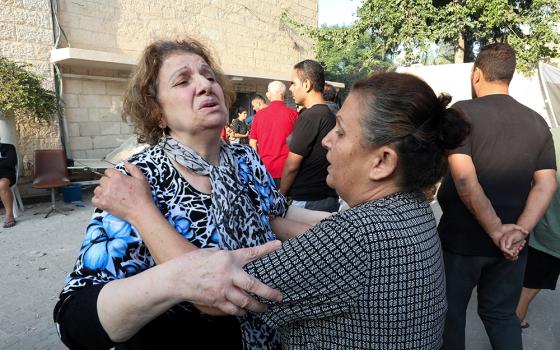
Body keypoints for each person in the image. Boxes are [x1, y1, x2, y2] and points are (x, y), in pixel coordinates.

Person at [93, 72, 471, 349]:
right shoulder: (414, 211)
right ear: (156, 111)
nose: (326, 140)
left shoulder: (358, 234)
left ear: (382, 162)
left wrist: (140, 211)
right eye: (182, 81)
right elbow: (282, 217)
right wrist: (267, 214)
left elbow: (215, 292)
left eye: (339, 131)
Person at [53, 37, 326, 350]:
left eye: (209, 76)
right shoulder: (139, 177)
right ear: (157, 113)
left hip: (268, 335)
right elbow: (73, 317)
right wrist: (174, 280)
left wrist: (348, 221)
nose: (205, 85)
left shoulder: (243, 158)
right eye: (183, 80)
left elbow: (277, 212)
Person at [436, 43, 557, 350]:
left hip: (460, 244)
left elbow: (464, 178)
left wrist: (495, 229)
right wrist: (518, 232)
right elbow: (546, 184)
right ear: (509, 77)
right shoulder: (537, 122)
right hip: (512, 248)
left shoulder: (460, 114)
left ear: (477, 74)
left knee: (450, 316)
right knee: (502, 316)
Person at [280, 59, 338, 212]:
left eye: (293, 83)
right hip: (326, 196)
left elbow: (292, 165)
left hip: (308, 200)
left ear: (306, 84)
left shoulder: (310, 116)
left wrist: (281, 195)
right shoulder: (329, 114)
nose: (290, 88)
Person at [516, 127, 560, 329]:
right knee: (528, 289)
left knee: (527, 287)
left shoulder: (552, 138)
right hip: (551, 238)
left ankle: (511, 326)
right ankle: (512, 327)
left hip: (547, 234)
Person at [249, 81, 298, 187]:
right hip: (287, 169)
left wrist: (256, 164)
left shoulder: (259, 116)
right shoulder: (294, 115)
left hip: (265, 168)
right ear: (284, 95)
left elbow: (253, 142)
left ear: (268, 95)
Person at [0, 141, 17, 228]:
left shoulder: (9, 147)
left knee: (2, 185)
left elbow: (11, 162)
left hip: (6, 174)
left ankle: (9, 215)